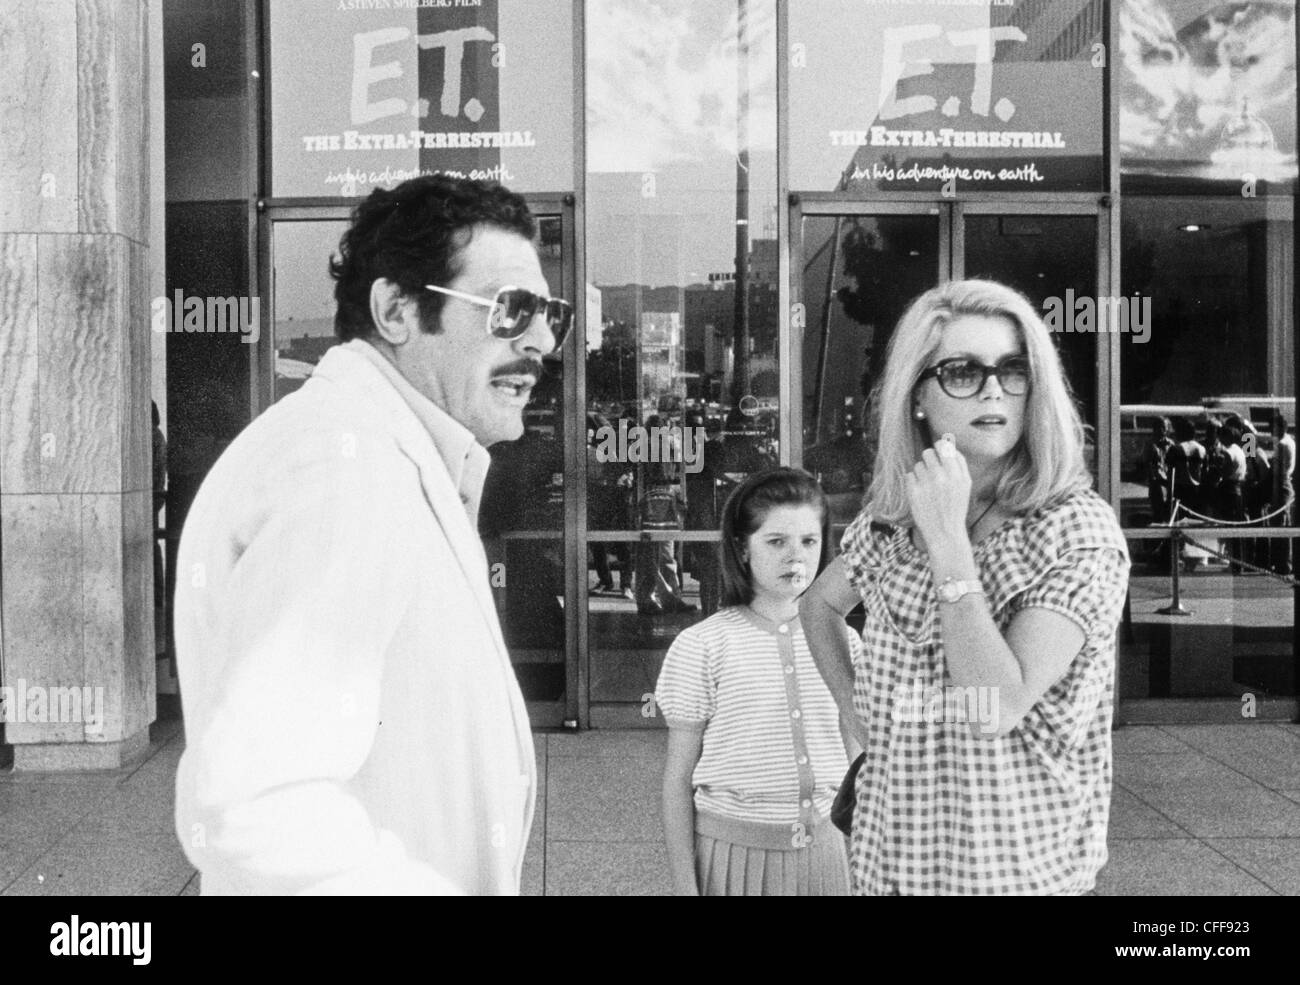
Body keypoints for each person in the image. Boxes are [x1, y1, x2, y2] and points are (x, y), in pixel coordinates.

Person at [172, 175, 572, 894]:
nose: (542, 341)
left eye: (550, 315)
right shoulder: (344, 471)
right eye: (512, 310)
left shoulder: (369, 452)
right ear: (396, 310)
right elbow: (257, 805)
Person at [799, 279, 1130, 896]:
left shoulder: (1073, 531)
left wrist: (950, 544)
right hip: (890, 859)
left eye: (1013, 369)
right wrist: (854, 706)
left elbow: (995, 706)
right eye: (962, 371)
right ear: (917, 394)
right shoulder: (894, 517)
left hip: (1013, 873)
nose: (993, 390)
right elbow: (819, 605)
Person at [656, 467, 858, 896]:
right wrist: (684, 887)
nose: (796, 556)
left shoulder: (848, 643)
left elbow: (858, 757)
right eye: (776, 541)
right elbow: (677, 781)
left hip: (828, 858)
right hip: (733, 861)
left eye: (809, 541)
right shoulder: (703, 646)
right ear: (742, 548)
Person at [1271, 411, 1296, 574]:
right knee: (1283, 523)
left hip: (1281, 484)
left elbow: (1278, 469)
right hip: (1286, 483)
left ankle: (1283, 563)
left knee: (1280, 524)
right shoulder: (1289, 441)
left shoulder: (1247, 438)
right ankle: (1283, 562)